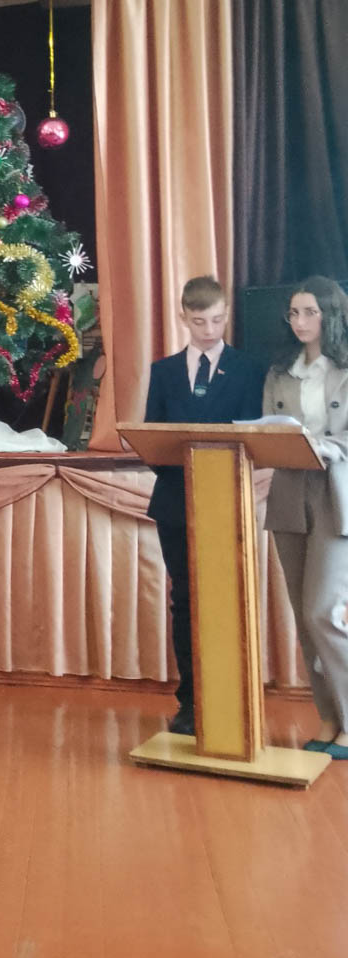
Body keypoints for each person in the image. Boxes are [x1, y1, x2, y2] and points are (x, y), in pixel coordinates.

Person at [144, 275, 265, 735]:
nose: (209, 330)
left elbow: (255, 438)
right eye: (199, 322)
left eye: (216, 320)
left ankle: (230, 697)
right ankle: (191, 701)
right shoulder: (163, 372)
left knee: (227, 599)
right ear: (183, 318)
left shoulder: (250, 369)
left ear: (227, 315)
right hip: (176, 503)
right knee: (185, 601)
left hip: (227, 501)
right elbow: (154, 439)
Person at [263, 277, 348, 759]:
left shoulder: (346, 368)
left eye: (309, 312)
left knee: (323, 611)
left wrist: (325, 445)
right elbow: (268, 427)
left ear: (330, 315)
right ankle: (330, 719)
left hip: (337, 492)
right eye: (293, 313)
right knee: (303, 615)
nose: (300, 322)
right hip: (290, 492)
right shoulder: (280, 371)